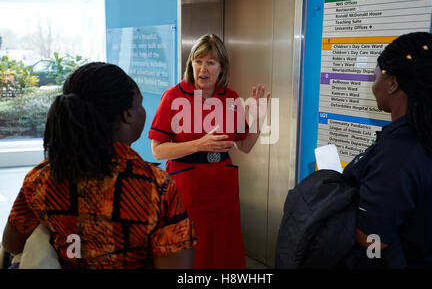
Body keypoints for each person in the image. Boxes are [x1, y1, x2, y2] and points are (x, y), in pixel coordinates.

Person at [1, 62, 196, 269]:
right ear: (128, 114)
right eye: (140, 103)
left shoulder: (43, 177)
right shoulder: (155, 186)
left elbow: (12, 243)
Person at [149, 34, 270, 268]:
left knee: (223, 249)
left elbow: (244, 146)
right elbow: (157, 151)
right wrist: (199, 144)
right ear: (190, 65)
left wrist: (258, 120)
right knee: (192, 252)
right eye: (198, 61)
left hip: (221, 186)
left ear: (221, 68)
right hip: (186, 187)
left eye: (211, 62)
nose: (203, 68)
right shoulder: (174, 96)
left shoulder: (231, 98)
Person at [342, 32, 432, 268]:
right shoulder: (430, 138)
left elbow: (373, 240)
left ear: (392, 83)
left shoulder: (399, 152)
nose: (373, 85)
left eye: (376, 76)